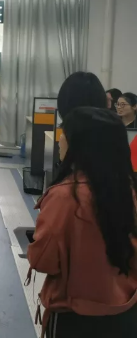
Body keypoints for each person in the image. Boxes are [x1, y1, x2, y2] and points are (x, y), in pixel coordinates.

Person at [27, 107, 137, 337]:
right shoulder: (129, 190)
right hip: (127, 310)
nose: (59, 140)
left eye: (64, 134)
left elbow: (43, 261)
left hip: (76, 317)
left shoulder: (65, 196)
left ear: (80, 144)